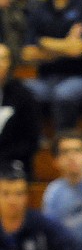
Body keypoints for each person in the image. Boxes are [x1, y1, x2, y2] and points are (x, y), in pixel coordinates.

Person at [20, 0, 82, 133]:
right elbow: (27, 54)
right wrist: (66, 45)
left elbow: (77, 50)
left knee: (64, 93)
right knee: (22, 90)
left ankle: (64, 139)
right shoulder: (38, 10)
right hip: (46, 78)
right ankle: (35, 140)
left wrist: (43, 41)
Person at [0, 42, 40, 176]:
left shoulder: (23, 96)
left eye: (3, 59)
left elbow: (31, 141)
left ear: (10, 63)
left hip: (12, 162)